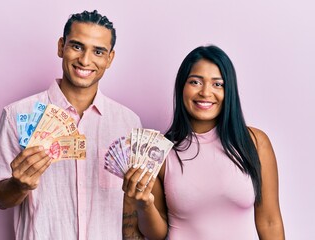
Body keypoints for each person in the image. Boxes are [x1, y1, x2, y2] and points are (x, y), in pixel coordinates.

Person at [0, 10, 142, 240]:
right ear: (61, 47)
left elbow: (130, 210)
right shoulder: (17, 114)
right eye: (77, 46)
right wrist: (19, 185)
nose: (85, 60)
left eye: (98, 51)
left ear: (110, 58)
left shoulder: (129, 123)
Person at [122, 45, 285, 239]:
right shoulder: (160, 151)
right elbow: (157, 234)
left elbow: (270, 221)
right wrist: (144, 204)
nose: (206, 92)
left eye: (217, 84)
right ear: (182, 86)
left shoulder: (255, 143)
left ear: (229, 91)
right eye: (195, 82)